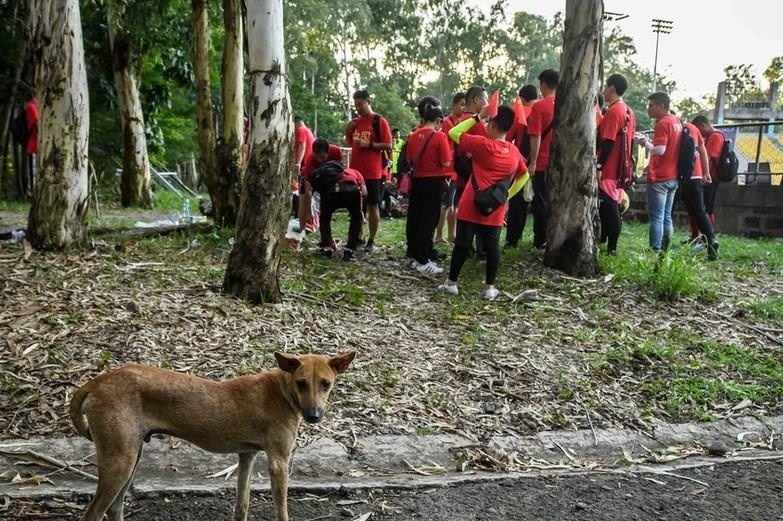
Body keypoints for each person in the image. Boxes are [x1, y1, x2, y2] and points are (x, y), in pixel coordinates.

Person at [440, 105, 528, 300]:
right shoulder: (514, 152)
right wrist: (507, 195)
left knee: (462, 244)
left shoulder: (482, 144)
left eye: (489, 123)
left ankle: (452, 283)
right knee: (493, 247)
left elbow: (454, 132)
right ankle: (489, 288)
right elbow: (524, 175)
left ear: (494, 125)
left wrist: (478, 116)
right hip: (495, 207)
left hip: (471, 204)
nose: (486, 125)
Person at [406, 101, 452, 274]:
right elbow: (446, 161)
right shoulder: (440, 137)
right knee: (429, 220)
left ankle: (414, 253)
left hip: (417, 180)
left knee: (415, 217)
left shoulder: (412, 136)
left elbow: (410, 159)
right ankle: (424, 259)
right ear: (439, 120)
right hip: (434, 181)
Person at [345, 90, 392, 253]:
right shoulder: (356, 122)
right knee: (357, 206)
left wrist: (371, 145)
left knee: (373, 205)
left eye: (361, 104)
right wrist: (348, 130)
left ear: (368, 102)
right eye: (356, 105)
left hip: (373, 172)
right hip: (356, 171)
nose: (358, 108)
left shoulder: (379, 121)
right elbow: (350, 143)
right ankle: (359, 236)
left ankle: (371, 240)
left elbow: (388, 144)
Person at [596, 73, 635, 256]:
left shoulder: (614, 111)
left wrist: (599, 166)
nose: (603, 90)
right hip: (621, 167)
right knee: (611, 204)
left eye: (605, 87)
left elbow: (608, 142)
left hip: (611, 168)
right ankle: (606, 241)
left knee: (610, 206)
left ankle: (612, 247)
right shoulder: (628, 111)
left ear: (612, 88)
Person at [638, 92, 681, 255]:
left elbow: (660, 150)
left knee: (656, 216)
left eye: (651, 105)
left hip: (660, 176)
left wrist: (646, 143)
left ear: (662, 106)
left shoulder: (662, 124)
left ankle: (655, 249)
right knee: (667, 215)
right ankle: (665, 248)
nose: (649, 109)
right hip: (673, 175)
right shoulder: (677, 121)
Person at [526, 69, 558, 251]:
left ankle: (541, 239)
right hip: (561, 164)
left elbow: (536, 136)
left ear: (544, 84)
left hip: (543, 162)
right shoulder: (566, 104)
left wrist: (533, 162)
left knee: (540, 202)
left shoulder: (539, 106)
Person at [680, 119, 720, 260]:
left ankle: (660, 244)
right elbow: (702, 150)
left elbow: (710, 154)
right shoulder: (693, 129)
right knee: (699, 211)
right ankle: (711, 239)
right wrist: (705, 172)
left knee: (666, 211)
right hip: (696, 175)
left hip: (681, 175)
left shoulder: (676, 127)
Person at [505, 84, 538, 248]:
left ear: (522, 99)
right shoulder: (543, 111)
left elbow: (508, 137)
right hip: (542, 164)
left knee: (517, 203)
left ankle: (512, 239)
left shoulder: (520, 114)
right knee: (535, 202)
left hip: (521, 165)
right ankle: (539, 240)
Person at [312, 162, 366, 262]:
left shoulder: (328, 177)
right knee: (356, 217)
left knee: (325, 218)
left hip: (330, 193)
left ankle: (327, 247)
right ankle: (349, 250)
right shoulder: (355, 172)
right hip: (351, 191)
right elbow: (365, 191)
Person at [435, 92, 466, 244]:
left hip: (457, 169)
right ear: (454, 105)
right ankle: (439, 234)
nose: (463, 107)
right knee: (446, 204)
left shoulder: (461, 121)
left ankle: (452, 235)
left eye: (465, 105)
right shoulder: (447, 122)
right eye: (461, 104)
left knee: (454, 204)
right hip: (449, 170)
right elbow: (445, 146)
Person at [691, 115, 724, 241]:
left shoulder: (715, 136)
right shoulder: (710, 136)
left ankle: (708, 238)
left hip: (710, 178)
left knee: (706, 209)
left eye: (698, 129)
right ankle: (698, 236)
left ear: (703, 125)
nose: (698, 132)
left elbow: (709, 156)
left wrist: (704, 173)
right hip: (707, 176)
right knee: (700, 208)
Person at [294, 116, 316, 231]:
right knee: (305, 194)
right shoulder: (308, 131)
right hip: (309, 168)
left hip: (305, 168)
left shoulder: (301, 130)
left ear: (296, 123)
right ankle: (307, 220)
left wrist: (297, 163)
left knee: (304, 195)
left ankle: (307, 221)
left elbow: (302, 146)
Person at [24, 93, 39, 196]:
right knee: (34, 170)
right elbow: (36, 123)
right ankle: (33, 192)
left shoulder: (38, 105)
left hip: (39, 144)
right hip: (34, 144)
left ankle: (34, 191)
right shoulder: (31, 106)